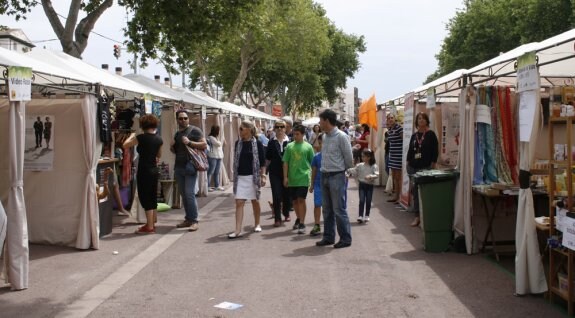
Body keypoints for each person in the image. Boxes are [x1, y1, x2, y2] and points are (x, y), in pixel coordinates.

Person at [315, 109, 354, 249]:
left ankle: (345, 238)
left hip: (337, 175)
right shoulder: (324, 137)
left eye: (320, 121)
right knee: (327, 209)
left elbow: (349, 158)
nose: (319, 124)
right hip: (324, 175)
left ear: (326, 121)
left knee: (339, 209)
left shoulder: (342, 137)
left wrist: (347, 173)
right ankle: (328, 237)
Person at [123, 114, 163, 234]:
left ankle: (149, 226)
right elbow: (159, 155)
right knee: (152, 195)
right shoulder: (159, 139)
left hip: (144, 170)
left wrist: (131, 135)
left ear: (143, 125)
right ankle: (153, 221)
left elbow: (125, 145)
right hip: (154, 169)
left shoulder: (141, 137)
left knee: (145, 197)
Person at [229, 120, 266, 238]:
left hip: (253, 177)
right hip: (240, 177)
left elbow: (262, 162)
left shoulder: (258, 143)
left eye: (241, 129)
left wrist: (263, 176)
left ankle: (257, 223)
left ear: (248, 130)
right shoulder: (237, 143)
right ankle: (237, 230)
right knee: (239, 202)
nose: (239, 131)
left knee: (255, 201)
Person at [171, 110, 207, 231]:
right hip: (179, 166)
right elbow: (176, 150)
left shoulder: (194, 130)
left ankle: (194, 220)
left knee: (189, 193)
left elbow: (204, 144)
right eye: (181, 118)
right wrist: (172, 146)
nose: (183, 120)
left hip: (190, 166)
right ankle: (188, 219)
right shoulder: (177, 134)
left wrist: (190, 142)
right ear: (177, 120)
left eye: (185, 118)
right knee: (183, 194)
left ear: (188, 119)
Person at [406, 112, 438, 227]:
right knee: (415, 192)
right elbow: (410, 151)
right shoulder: (414, 136)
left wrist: (433, 165)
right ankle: (417, 217)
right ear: (416, 122)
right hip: (413, 167)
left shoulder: (431, 134)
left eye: (423, 119)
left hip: (426, 168)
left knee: (426, 192)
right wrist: (408, 162)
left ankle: (426, 216)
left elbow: (435, 151)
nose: (421, 120)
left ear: (426, 121)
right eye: (419, 119)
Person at [283, 124, 314, 234]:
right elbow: (285, 163)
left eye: (297, 134)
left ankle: (302, 222)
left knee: (301, 199)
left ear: (302, 134)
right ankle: (298, 217)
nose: (295, 136)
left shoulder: (308, 147)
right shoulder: (289, 146)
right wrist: (285, 177)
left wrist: (313, 179)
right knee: (295, 201)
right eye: (294, 134)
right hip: (292, 178)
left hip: (303, 177)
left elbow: (312, 163)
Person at [266, 120, 292, 226]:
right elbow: (268, 158)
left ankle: (286, 213)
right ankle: (277, 218)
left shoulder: (290, 142)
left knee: (287, 195)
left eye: (282, 127)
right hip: (275, 172)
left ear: (285, 128)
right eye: (277, 127)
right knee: (276, 195)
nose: (280, 129)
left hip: (288, 172)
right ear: (275, 129)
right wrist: (264, 173)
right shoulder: (271, 142)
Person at [347, 149, 379, 223]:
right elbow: (354, 171)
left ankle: (367, 215)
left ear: (369, 157)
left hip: (370, 185)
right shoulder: (359, 165)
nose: (362, 158)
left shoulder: (374, 166)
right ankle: (360, 215)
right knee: (361, 200)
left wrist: (371, 176)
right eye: (362, 156)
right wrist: (348, 171)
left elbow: (377, 174)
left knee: (368, 200)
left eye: (364, 156)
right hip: (362, 185)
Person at [308, 133, 324, 236]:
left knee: (329, 206)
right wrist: (312, 184)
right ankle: (317, 224)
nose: (322, 144)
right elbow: (313, 171)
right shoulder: (317, 157)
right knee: (317, 205)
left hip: (330, 184)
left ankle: (329, 225)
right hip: (318, 184)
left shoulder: (333, 155)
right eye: (320, 142)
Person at [387, 114, 403, 203]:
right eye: (389, 118)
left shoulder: (399, 128)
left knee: (398, 178)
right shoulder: (390, 129)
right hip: (392, 156)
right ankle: (396, 196)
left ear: (395, 119)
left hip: (399, 156)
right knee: (394, 178)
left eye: (392, 118)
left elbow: (404, 140)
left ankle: (400, 197)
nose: (390, 119)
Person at [207, 125, 225, 192]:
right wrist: (220, 142)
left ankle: (217, 186)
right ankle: (207, 186)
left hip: (219, 156)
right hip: (212, 157)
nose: (219, 132)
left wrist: (220, 142)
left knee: (217, 172)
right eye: (218, 130)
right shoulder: (210, 137)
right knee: (210, 172)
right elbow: (218, 144)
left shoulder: (216, 137)